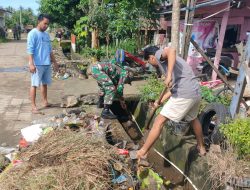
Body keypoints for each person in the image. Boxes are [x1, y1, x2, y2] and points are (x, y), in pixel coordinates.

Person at [136, 46, 206, 159]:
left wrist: (168, 75)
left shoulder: (159, 55)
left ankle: (143, 152)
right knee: (193, 119)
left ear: (152, 57)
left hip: (184, 93)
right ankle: (201, 147)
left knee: (159, 121)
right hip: (195, 92)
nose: (151, 64)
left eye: (149, 61)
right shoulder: (173, 64)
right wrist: (159, 101)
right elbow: (171, 89)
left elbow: (171, 49)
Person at [27, 14, 59, 114]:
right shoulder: (33, 33)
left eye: (47, 24)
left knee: (44, 84)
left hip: (46, 63)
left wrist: (55, 62)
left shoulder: (46, 35)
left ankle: (45, 102)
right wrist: (31, 64)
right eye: (45, 23)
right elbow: (30, 50)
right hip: (37, 64)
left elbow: (50, 50)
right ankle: (33, 106)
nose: (46, 26)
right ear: (39, 21)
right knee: (34, 84)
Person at [91, 54, 131, 119]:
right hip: (99, 70)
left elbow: (117, 88)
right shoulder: (124, 73)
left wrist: (121, 101)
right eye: (127, 81)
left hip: (95, 69)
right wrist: (122, 101)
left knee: (104, 87)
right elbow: (120, 88)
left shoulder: (117, 73)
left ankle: (100, 103)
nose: (126, 82)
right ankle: (105, 112)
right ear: (129, 76)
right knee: (111, 88)